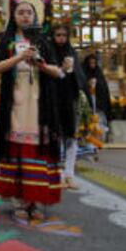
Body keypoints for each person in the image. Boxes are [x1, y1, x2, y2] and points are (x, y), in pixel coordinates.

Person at [0, 1, 64, 222]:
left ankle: (38, 200)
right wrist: (20, 58)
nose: (24, 16)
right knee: (16, 149)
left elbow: (58, 72)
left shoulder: (43, 42)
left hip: (40, 106)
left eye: (28, 12)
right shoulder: (8, 41)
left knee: (38, 148)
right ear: (14, 17)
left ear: (35, 16)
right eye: (20, 12)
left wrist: (40, 64)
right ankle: (19, 201)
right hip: (15, 104)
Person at [49, 23, 93, 190]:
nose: (61, 38)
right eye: (58, 35)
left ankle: (69, 174)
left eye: (64, 35)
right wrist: (61, 69)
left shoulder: (71, 52)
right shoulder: (50, 51)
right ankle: (57, 175)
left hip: (70, 100)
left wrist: (72, 70)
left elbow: (80, 78)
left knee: (71, 136)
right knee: (56, 137)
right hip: (53, 99)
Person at [82, 53, 112, 141]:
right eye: (90, 63)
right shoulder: (83, 73)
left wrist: (97, 84)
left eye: (94, 63)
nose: (92, 65)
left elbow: (103, 89)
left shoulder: (98, 73)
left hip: (98, 104)